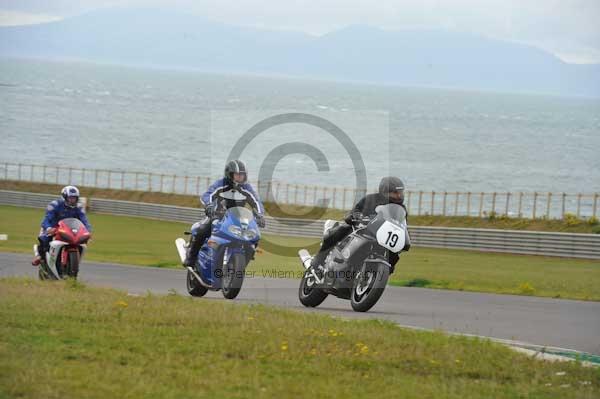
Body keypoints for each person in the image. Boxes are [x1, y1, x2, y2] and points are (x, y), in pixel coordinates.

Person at [308, 176, 410, 273]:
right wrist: (354, 216)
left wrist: (404, 237)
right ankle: (319, 259)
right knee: (342, 229)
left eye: (400, 192)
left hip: (381, 236)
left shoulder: (401, 209)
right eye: (395, 193)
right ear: (384, 191)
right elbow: (356, 209)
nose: (399, 196)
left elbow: (402, 225)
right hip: (363, 229)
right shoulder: (370, 199)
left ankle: (382, 273)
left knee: (394, 254)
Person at [183, 160, 266, 267]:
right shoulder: (220, 184)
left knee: (254, 236)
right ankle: (191, 257)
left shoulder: (246, 188)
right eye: (237, 175)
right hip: (217, 216)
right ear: (229, 174)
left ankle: (240, 263)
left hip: (237, 219)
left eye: (242, 175)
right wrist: (209, 205)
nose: (240, 177)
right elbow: (207, 195)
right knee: (202, 230)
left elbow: (256, 201)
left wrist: (260, 215)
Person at [32, 185, 92, 266]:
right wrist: (49, 228)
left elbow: (84, 220)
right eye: (70, 198)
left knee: (82, 241)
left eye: (74, 198)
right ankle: (40, 256)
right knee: (44, 240)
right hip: (53, 227)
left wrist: (88, 231)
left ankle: (75, 262)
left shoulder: (79, 207)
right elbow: (46, 219)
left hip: (69, 229)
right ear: (64, 197)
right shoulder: (54, 205)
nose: (72, 200)